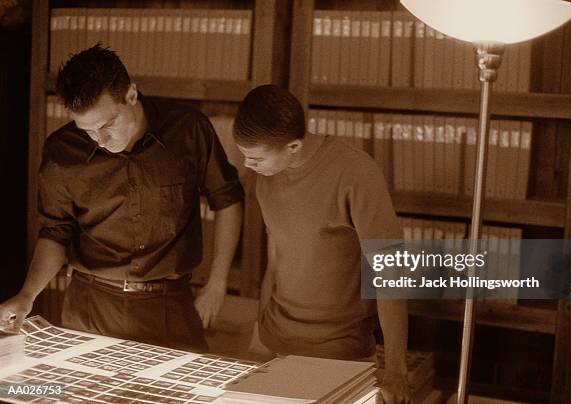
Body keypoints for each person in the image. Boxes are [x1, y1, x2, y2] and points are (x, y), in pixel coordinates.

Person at [0, 45, 243, 352]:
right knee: (78, 399)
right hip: (90, 305)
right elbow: (55, 232)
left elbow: (227, 198)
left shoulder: (189, 130)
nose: (101, 141)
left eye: (108, 125)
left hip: (170, 303)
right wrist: (27, 294)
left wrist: (218, 282)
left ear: (131, 95)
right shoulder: (62, 152)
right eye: (88, 131)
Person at [233, 85, 410, 403]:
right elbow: (277, 257)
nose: (248, 166)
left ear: (294, 145)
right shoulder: (266, 176)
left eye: (256, 157)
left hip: (340, 354)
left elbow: (392, 275)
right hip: (275, 347)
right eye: (245, 155)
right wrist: (260, 328)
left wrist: (396, 371)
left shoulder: (357, 173)